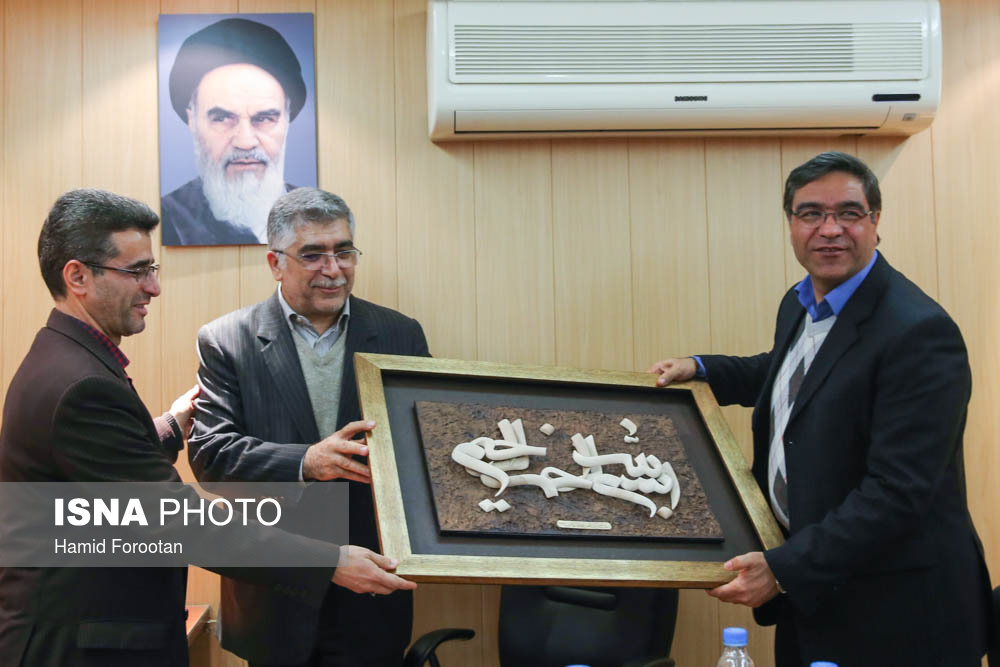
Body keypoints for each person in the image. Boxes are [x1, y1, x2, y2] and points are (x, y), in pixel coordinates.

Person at [0, 189, 413, 667]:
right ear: (78, 277)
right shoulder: (82, 383)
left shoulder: (64, 360)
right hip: (81, 642)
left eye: (152, 270)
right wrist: (329, 560)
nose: (153, 287)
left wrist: (168, 429)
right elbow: (177, 520)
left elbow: (103, 472)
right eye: (138, 271)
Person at [649, 152, 992, 666]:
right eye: (811, 213)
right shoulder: (803, 300)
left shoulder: (919, 332)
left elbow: (897, 492)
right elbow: (794, 374)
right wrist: (702, 369)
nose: (829, 229)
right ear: (791, 223)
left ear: (875, 220)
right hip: (818, 590)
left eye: (848, 213)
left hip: (899, 611)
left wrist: (783, 568)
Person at [189, 187, 430, 666]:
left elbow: (426, 450)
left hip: (371, 588)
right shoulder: (226, 340)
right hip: (274, 594)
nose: (333, 269)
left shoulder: (401, 335)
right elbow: (212, 457)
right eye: (313, 255)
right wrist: (306, 461)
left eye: (344, 251)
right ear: (275, 263)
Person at [161, 17, 308, 246]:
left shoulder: (316, 214)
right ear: (193, 121)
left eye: (264, 119)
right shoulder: (168, 219)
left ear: (287, 119)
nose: (245, 141)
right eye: (222, 119)